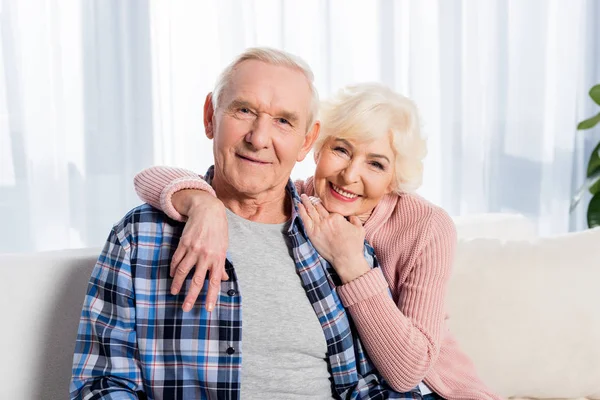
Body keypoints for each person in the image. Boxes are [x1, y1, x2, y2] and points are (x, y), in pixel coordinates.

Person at [70, 47, 423, 399]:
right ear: (211, 116)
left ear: (307, 141)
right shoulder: (139, 239)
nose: (258, 138)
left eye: (283, 121)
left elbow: (371, 388)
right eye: (244, 110)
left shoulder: (340, 245)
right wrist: (203, 203)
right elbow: (101, 387)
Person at [133, 83, 503, 400]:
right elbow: (149, 177)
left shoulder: (425, 226)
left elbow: (407, 373)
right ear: (316, 146)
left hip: (434, 390)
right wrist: (202, 204)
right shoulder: (297, 202)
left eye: (376, 164)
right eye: (341, 150)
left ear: (395, 177)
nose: (349, 175)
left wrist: (350, 263)